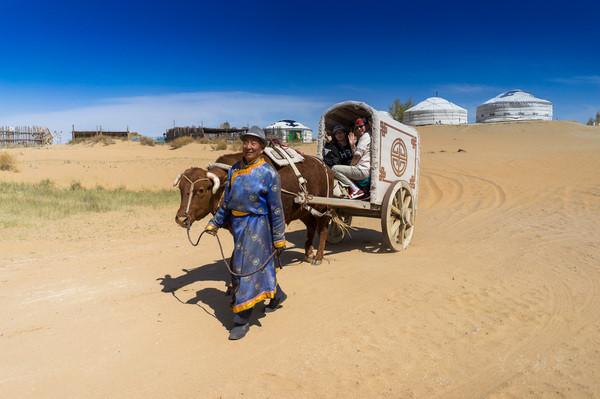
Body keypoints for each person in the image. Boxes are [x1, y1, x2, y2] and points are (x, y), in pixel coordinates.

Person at [204, 127, 287, 340]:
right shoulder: (234, 170)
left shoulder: (269, 173)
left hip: (258, 225)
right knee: (258, 267)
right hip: (238, 225)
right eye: (246, 142)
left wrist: (278, 237)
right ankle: (277, 295)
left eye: (254, 143)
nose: (249, 146)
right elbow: (227, 202)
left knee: (243, 269)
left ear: (261, 148)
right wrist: (215, 222)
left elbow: (277, 209)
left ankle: (241, 320)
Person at [332, 117, 371, 199]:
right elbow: (357, 154)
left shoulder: (365, 136)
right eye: (357, 128)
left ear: (366, 126)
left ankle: (355, 190)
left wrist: (351, 165)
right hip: (363, 169)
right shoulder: (364, 138)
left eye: (361, 126)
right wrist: (352, 145)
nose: (359, 129)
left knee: (334, 169)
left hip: (362, 170)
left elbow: (357, 156)